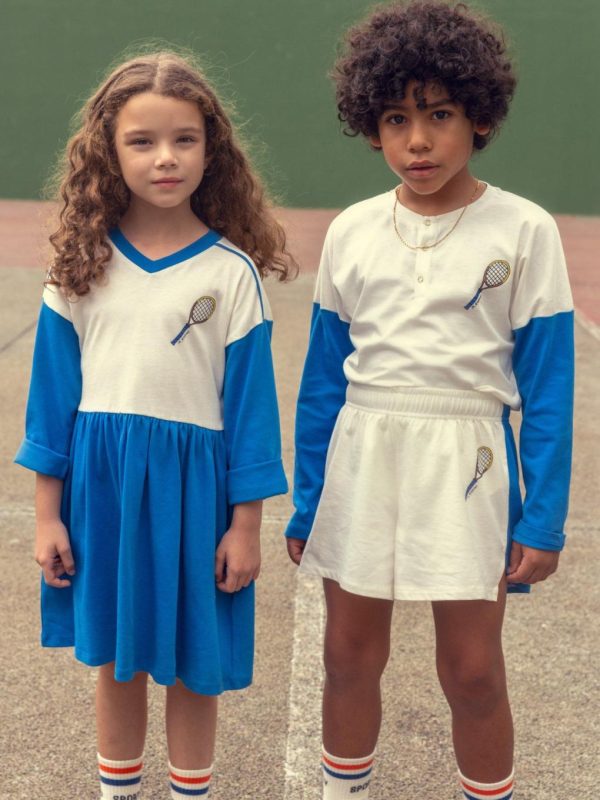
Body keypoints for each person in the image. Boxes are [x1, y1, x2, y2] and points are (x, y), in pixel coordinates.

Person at [285, 2, 573, 798]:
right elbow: (322, 384)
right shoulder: (352, 230)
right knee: (348, 656)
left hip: (467, 459)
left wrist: (542, 517)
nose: (417, 141)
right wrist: (309, 502)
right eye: (395, 119)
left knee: (473, 670)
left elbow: (549, 389)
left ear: (480, 116)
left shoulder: (525, 230)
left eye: (439, 115)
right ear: (370, 127)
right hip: (364, 453)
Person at [15, 50, 295, 799]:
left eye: (184, 139)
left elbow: (251, 414)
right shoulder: (79, 266)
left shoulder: (231, 273)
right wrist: (47, 516)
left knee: (195, 662)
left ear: (212, 149)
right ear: (108, 151)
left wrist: (245, 526)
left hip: (195, 492)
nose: (165, 157)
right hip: (102, 486)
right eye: (142, 141)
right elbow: (51, 404)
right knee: (117, 656)